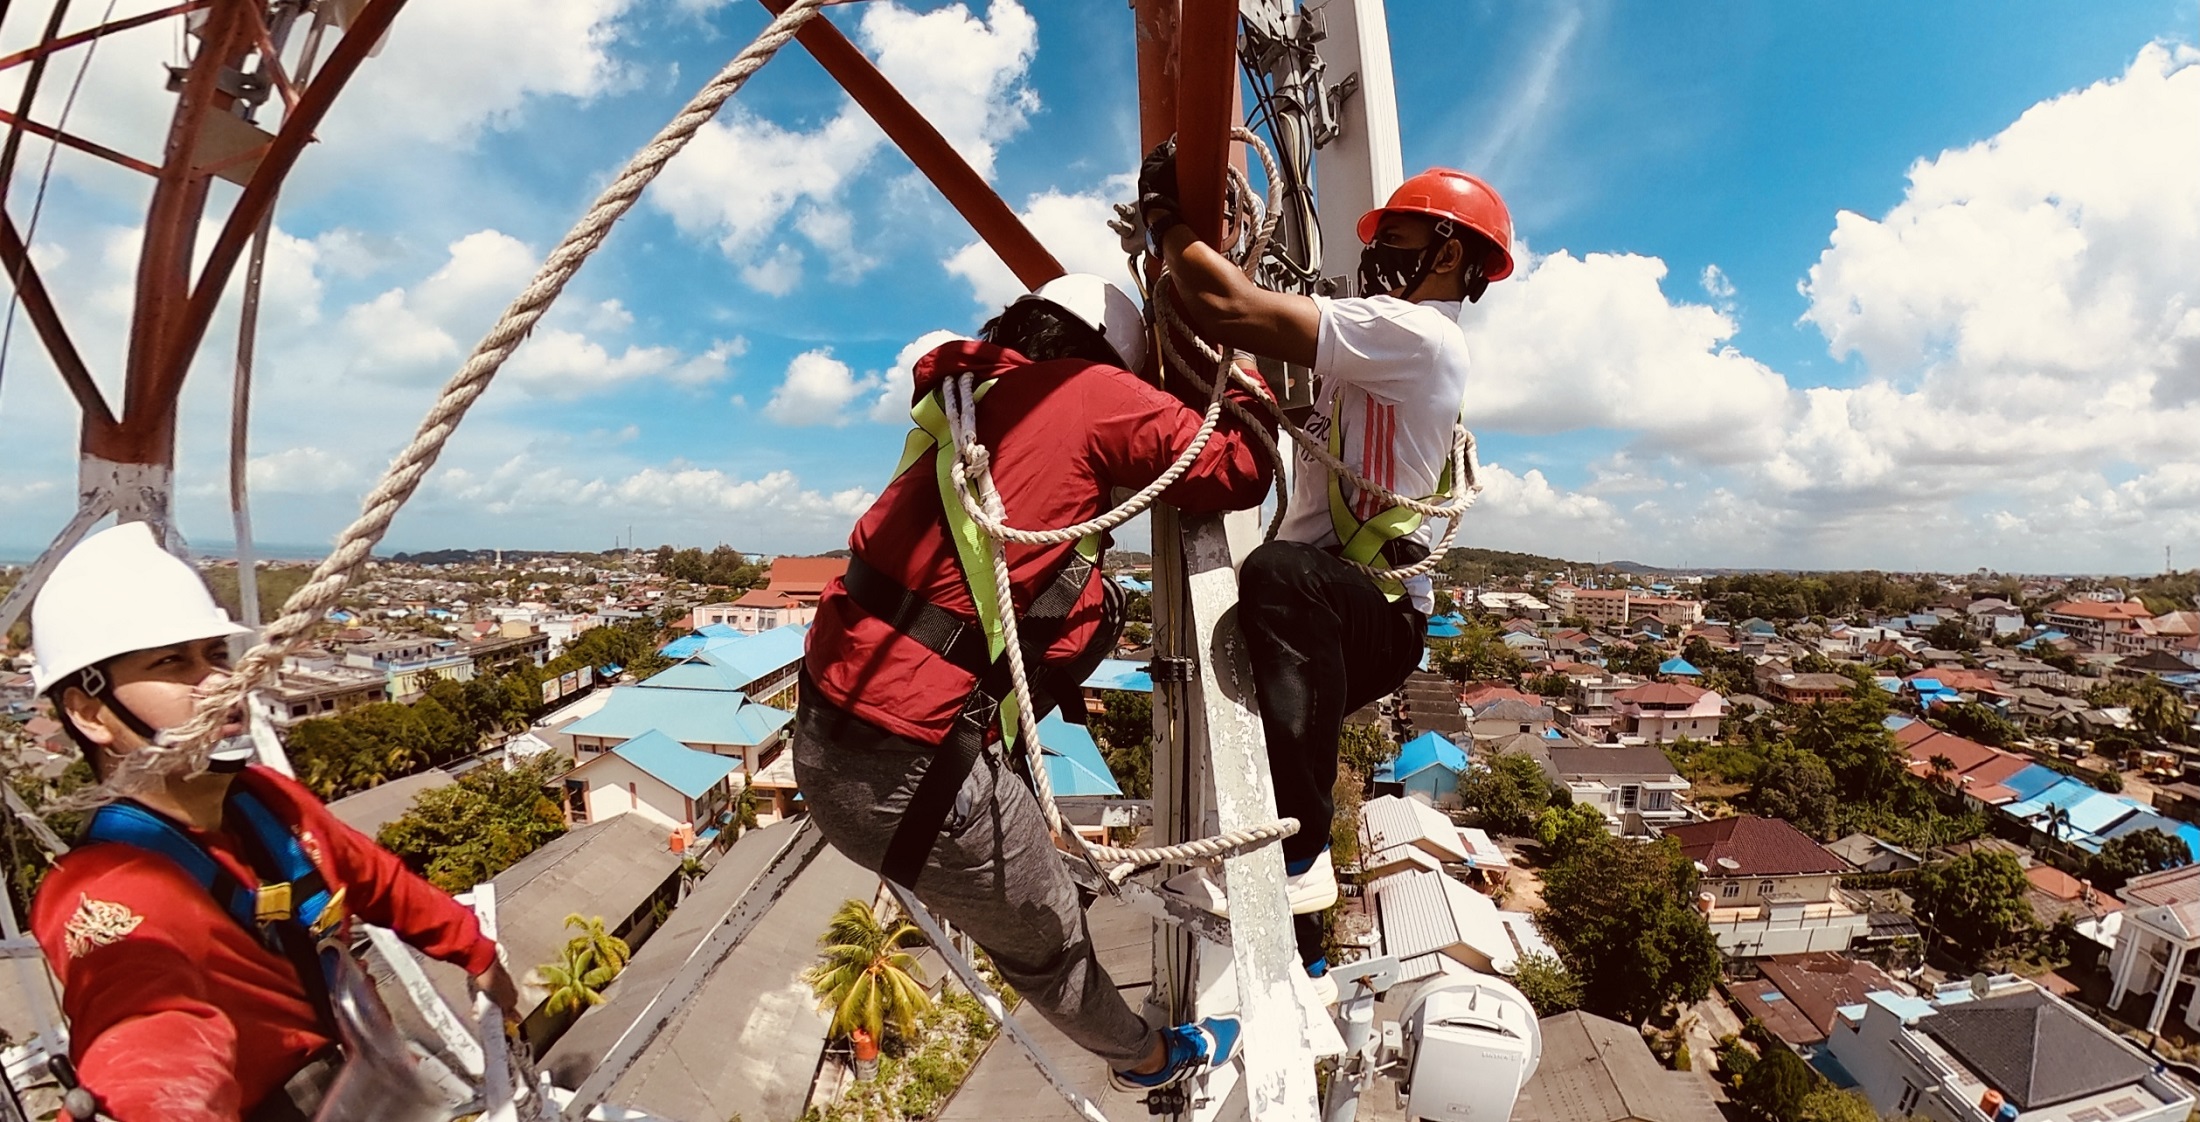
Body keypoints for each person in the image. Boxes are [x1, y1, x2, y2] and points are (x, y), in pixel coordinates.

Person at [794, 273, 1277, 1091]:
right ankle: (1149, 1060)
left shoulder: (968, 406)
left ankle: (1013, 808)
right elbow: (1239, 466)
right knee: (1049, 943)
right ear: (1110, 361)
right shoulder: (1090, 392)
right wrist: (1244, 371)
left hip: (830, 738)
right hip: (915, 777)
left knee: (1088, 599)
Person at [1137, 150, 1515, 982]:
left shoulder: (1416, 335)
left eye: (1400, 236)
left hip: (1364, 614)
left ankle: (1300, 849)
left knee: (1277, 572)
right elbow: (1267, 366)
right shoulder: (1392, 351)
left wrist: (1166, 220)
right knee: (1284, 680)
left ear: (1448, 255)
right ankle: (1305, 938)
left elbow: (1228, 305)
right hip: (1347, 613)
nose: (1376, 256)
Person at [25, 521, 522, 1122]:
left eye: (215, 655)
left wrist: (476, 952)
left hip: (367, 1080)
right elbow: (145, 1027)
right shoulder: (105, 887)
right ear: (90, 713)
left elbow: (374, 879)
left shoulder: (269, 802)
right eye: (173, 663)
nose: (219, 684)